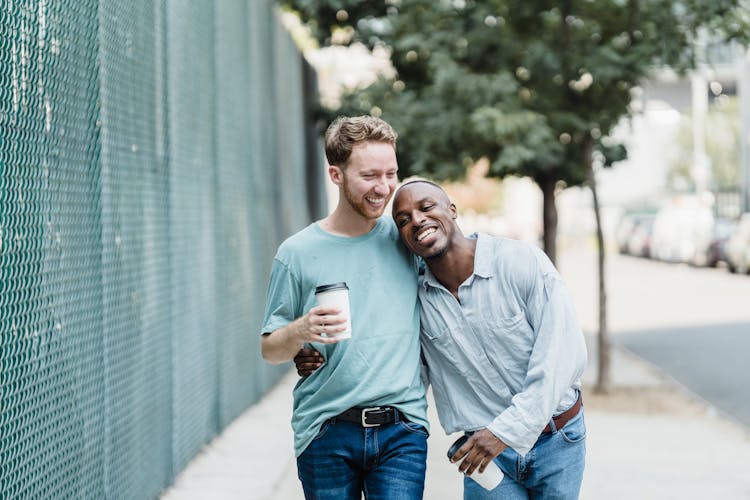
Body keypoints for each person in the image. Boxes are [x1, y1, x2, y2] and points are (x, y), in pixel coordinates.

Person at [297, 179, 588, 499]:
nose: (416, 220)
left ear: (452, 210)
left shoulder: (520, 262)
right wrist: (321, 357)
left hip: (558, 439)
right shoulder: (416, 299)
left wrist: (504, 432)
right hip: (486, 455)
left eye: (425, 207)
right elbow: (399, 364)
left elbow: (563, 356)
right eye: (403, 220)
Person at [260, 116, 429, 500]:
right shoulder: (296, 253)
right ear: (336, 175)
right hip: (326, 429)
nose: (384, 187)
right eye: (370, 175)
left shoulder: (406, 238)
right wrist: (301, 330)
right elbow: (270, 349)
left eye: (391, 174)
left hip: (401, 429)